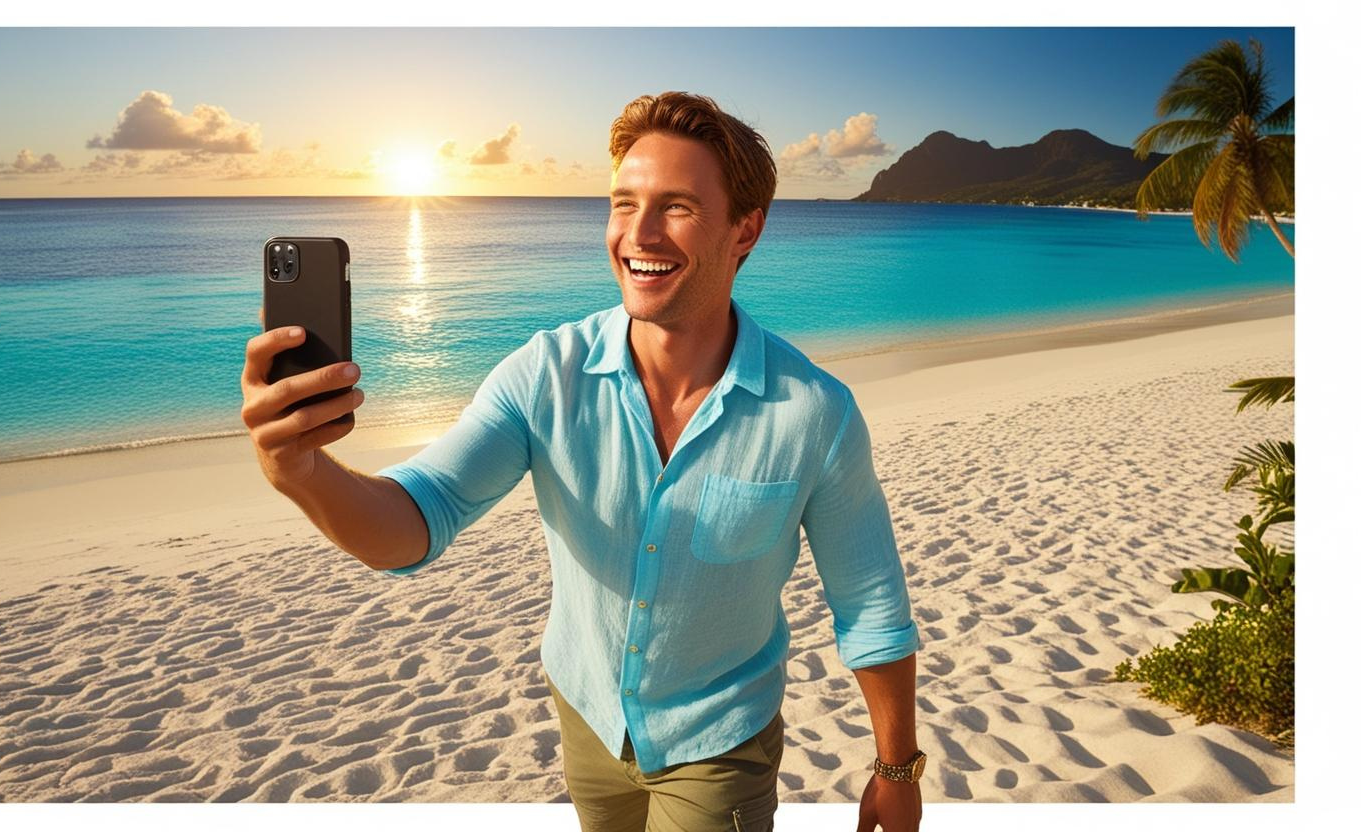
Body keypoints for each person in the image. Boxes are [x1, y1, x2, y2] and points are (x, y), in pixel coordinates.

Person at [241, 91, 925, 832]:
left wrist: (895, 770)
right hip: (588, 721)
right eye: (623, 203)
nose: (639, 233)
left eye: (677, 207)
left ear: (745, 230)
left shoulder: (815, 413)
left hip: (719, 747)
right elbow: (417, 518)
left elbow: (871, 606)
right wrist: (302, 474)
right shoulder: (545, 374)